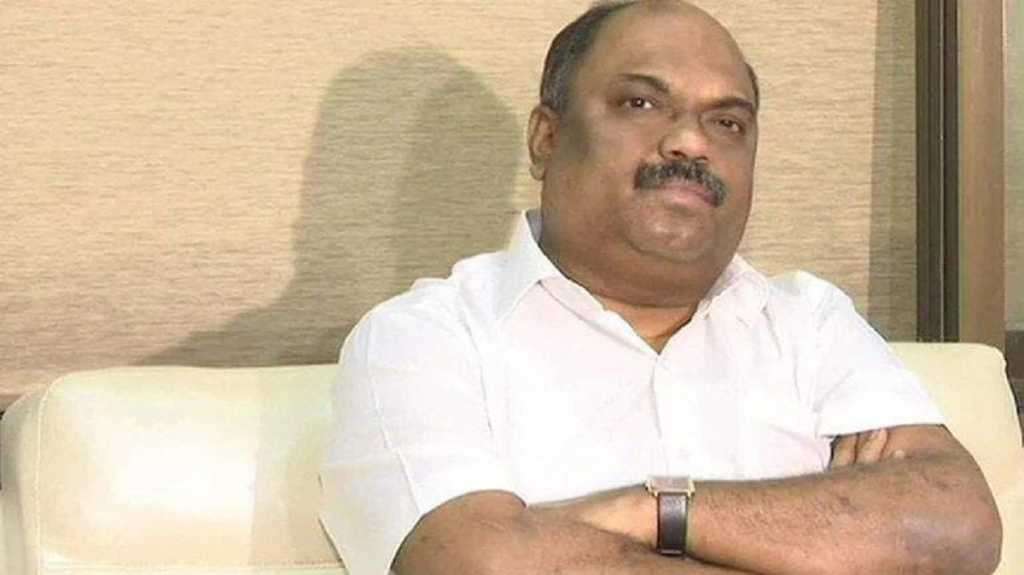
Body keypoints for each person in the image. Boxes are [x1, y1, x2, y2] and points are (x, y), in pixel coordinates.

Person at [319, 1, 1003, 573]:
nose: (691, 143)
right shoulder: (425, 338)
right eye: (641, 102)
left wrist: (657, 508)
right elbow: (479, 562)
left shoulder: (810, 323)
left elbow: (957, 521)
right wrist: (824, 538)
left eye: (727, 122)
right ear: (546, 138)